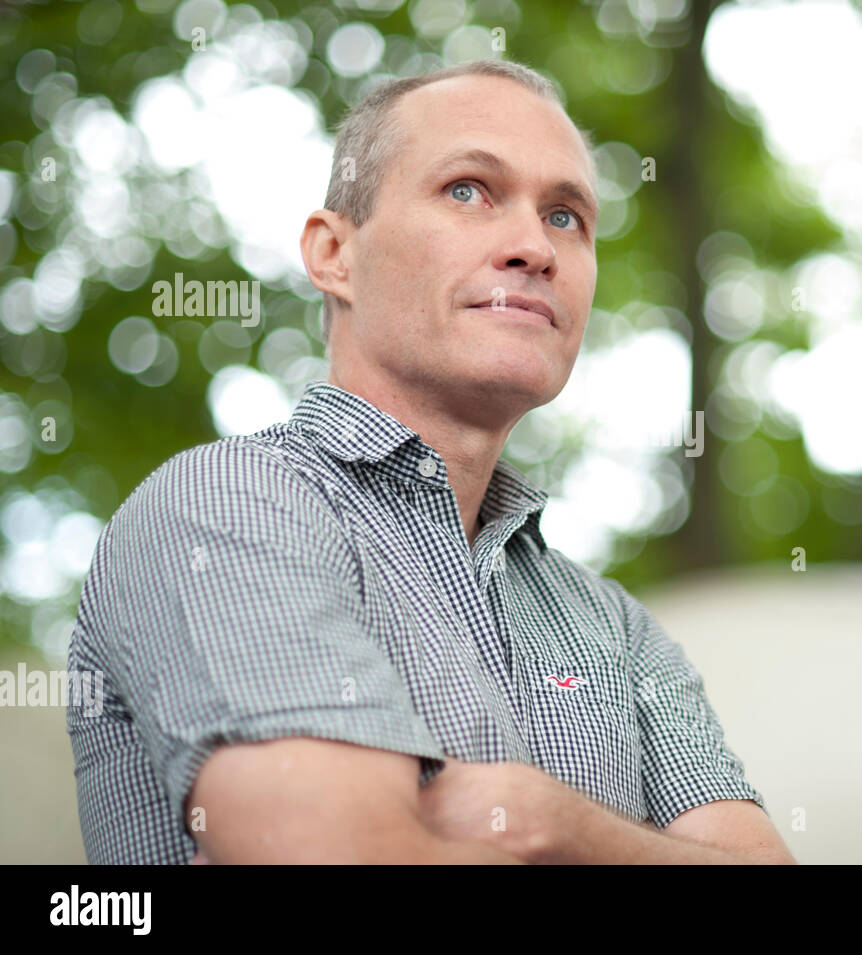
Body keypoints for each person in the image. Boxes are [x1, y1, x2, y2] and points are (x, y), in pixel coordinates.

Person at [67, 58, 795, 865]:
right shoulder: (228, 506)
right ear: (333, 254)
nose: (534, 247)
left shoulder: (613, 626)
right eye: (468, 191)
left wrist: (561, 824)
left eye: (565, 217)